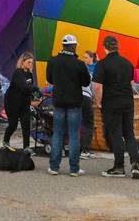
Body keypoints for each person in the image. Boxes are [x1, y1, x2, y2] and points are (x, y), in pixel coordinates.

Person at [45, 33, 91, 177]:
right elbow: (86, 82)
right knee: (73, 135)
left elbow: (49, 79)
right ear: (74, 46)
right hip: (74, 103)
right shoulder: (79, 64)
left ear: (63, 45)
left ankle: (54, 167)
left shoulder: (53, 61)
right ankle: (74, 169)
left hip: (58, 102)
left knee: (57, 133)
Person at [95, 36, 139, 179]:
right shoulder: (127, 63)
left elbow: (97, 87)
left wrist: (98, 102)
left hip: (112, 103)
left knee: (116, 134)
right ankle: (135, 163)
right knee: (129, 133)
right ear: (117, 47)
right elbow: (132, 83)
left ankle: (119, 167)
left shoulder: (102, 64)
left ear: (105, 47)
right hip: (127, 102)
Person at [3, 52, 37, 150]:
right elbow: (24, 87)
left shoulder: (29, 74)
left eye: (32, 62)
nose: (31, 64)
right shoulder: (18, 72)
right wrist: (36, 88)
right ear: (22, 62)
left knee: (26, 125)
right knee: (13, 124)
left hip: (24, 102)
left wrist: (35, 96)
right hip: (12, 102)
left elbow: (30, 88)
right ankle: (6, 140)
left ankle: (26, 147)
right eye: (29, 62)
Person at [79, 50, 97, 159]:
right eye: (84, 57)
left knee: (78, 122)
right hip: (86, 97)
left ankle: (79, 148)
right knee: (89, 123)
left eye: (86, 57)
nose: (84, 59)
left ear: (91, 58)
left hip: (77, 97)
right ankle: (85, 149)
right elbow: (94, 87)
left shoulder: (95, 68)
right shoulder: (88, 74)